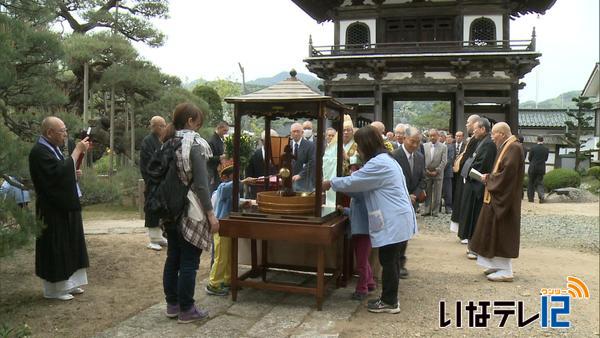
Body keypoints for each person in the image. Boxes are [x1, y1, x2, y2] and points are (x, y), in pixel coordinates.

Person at [322, 125, 417, 314]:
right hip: (397, 217)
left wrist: (330, 182)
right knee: (391, 260)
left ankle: (390, 302)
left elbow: (354, 182)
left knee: (389, 261)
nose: (357, 149)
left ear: (366, 144)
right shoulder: (384, 160)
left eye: (358, 145)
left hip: (394, 219)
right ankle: (389, 299)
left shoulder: (379, 163)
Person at [162, 103, 219, 323]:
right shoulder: (195, 145)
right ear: (190, 121)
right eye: (198, 122)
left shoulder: (167, 142)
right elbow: (203, 186)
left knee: (173, 258)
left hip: (168, 208)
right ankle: (187, 309)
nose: (198, 127)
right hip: (190, 208)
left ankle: (173, 304)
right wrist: (211, 214)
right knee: (188, 261)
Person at [29, 116, 90, 301]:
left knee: (69, 244)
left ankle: (69, 283)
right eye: (62, 131)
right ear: (49, 133)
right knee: (56, 246)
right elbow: (55, 176)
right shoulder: (39, 152)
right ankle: (54, 289)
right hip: (51, 208)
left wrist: (73, 172)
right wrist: (77, 151)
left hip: (63, 204)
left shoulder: (52, 148)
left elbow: (62, 171)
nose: (65, 134)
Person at [470, 122, 524, 282]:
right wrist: (491, 177)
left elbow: (507, 175)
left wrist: (489, 179)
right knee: (491, 230)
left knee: (502, 232)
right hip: (499, 196)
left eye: (494, 134)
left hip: (504, 199)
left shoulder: (513, 147)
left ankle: (506, 270)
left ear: (502, 133)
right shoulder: (509, 145)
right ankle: (497, 264)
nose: (492, 138)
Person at [205, 161, 255, 296]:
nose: (236, 179)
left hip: (230, 225)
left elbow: (233, 201)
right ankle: (213, 284)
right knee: (221, 257)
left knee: (230, 256)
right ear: (224, 178)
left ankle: (228, 279)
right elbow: (230, 189)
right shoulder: (221, 188)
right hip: (222, 226)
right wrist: (244, 181)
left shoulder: (233, 188)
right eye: (233, 176)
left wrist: (242, 205)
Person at [457, 118, 497, 259]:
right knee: (469, 215)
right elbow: (472, 159)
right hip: (472, 182)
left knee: (475, 217)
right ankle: (472, 245)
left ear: (483, 129)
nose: (473, 132)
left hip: (478, 186)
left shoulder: (489, 144)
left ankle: (475, 247)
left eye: (475, 129)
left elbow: (482, 164)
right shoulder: (481, 142)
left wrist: (469, 171)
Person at [391, 126, 425, 279]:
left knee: (406, 233)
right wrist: (405, 195)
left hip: (412, 201)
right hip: (397, 202)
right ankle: (396, 263)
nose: (415, 145)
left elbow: (422, 180)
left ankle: (401, 262)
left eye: (418, 142)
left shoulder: (419, 157)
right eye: (412, 141)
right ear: (404, 139)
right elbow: (392, 182)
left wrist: (415, 194)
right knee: (397, 234)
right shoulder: (394, 156)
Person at [340, 193, 376, 301]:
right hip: (359, 231)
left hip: (363, 231)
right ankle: (369, 282)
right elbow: (355, 212)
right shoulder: (359, 193)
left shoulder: (361, 192)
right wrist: (345, 210)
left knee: (361, 263)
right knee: (363, 260)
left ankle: (362, 289)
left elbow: (360, 213)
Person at [140, 115, 168, 251]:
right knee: (152, 208)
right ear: (154, 126)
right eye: (161, 125)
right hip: (152, 180)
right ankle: (152, 239)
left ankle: (159, 236)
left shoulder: (161, 140)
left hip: (161, 181)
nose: (164, 128)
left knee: (160, 208)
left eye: (164, 125)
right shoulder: (148, 141)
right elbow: (151, 162)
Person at [450, 115, 479, 235]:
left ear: (475, 124)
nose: (466, 124)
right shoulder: (472, 139)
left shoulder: (476, 140)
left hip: (470, 175)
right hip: (463, 174)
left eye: (468, 122)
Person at [245, 129, 278, 199]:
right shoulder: (254, 155)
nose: (271, 143)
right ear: (262, 141)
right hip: (257, 193)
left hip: (275, 194)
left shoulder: (279, 155)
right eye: (268, 140)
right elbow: (248, 175)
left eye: (273, 140)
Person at [422, 129, 447, 217]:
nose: (432, 137)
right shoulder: (424, 146)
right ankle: (427, 210)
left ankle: (435, 211)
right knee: (427, 192)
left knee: (437, 193)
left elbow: (444, 161)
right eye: (430, 135)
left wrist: (437, 170)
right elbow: (422, 159)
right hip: (427, 172)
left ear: (438, 136)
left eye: (434, 135)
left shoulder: (443, 147)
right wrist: (426, 170)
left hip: (438, 173)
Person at [290, 122, 316, 192]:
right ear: (291, 133)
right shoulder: (287, 145)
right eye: (294, 131)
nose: (296, 134)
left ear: (302, 132)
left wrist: (300, 175)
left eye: (298, 131)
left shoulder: (310, 145)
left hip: (304, 181)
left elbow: (312, 162)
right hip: (289, 180)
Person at [207, 121, 229, 192]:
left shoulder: (220, 140)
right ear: (219, 128)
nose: (226, 133)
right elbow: (208, 158)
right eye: (224, 130)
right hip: (213, 171)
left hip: (220, 171)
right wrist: (220, 157)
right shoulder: (212, 141)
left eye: (227, 131)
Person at [527, 136, 549, 203]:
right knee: (540, 183)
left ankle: (531, 199)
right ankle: (541, 196)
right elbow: (546, 159)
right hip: (541, 168)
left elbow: (529, 158)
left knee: (531, 183)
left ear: (537, 140)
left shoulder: (533, 148)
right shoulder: (546, 149)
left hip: (533, 167)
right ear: (543, 141)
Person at [441, 131, 455, 214]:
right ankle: (437, 207)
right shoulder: (438, 146)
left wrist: (441, 168)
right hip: (438, 172)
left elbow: (450, 159)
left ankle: (448, 207)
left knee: (447, 190)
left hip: (447, 172)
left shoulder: (450, 147)